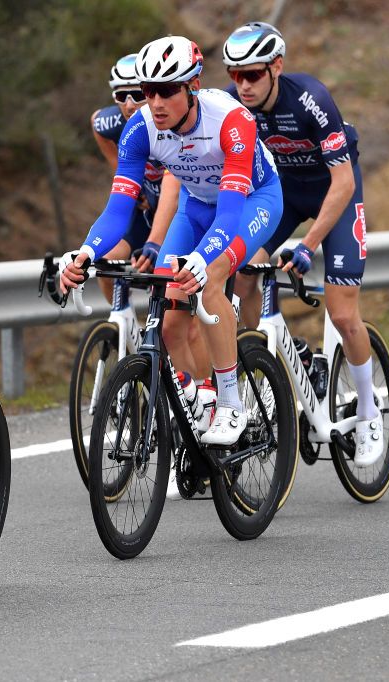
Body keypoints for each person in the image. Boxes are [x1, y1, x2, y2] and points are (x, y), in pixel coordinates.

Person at [59, 36, 282, 447]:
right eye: (147, 92)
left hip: (253, 201)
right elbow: (117, 211)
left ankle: (232, 400)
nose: (154, 102)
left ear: (192, 86)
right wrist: (86, 252)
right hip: (196, 208)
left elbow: (231, 216)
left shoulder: (232, 121)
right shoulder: (140, 128)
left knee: (209, 277)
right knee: (168, 317)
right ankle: (201, 395)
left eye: (166, 91)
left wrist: (201, 257)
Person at [223, 22, 383, 466]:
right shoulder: (233, 105)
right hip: (284, 197)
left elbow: (344, 180)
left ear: (277, 66)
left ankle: (370, 411)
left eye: (252, 74)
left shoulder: (310, 99)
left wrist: (308, 245)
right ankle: (264, 367)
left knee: (343, 313)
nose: (243, 85)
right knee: (243, 272)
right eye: (235, 76)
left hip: (335, 194)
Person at [89, 54, 170, 283]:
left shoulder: (169, 120)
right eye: (121, 96)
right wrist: (127, 179)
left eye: (137, 94)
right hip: (145, 208)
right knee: (106, 261)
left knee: (165, 271)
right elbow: (96, 122)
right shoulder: (113, 120)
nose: (129, 104)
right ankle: (122, 316)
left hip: (174, 209)